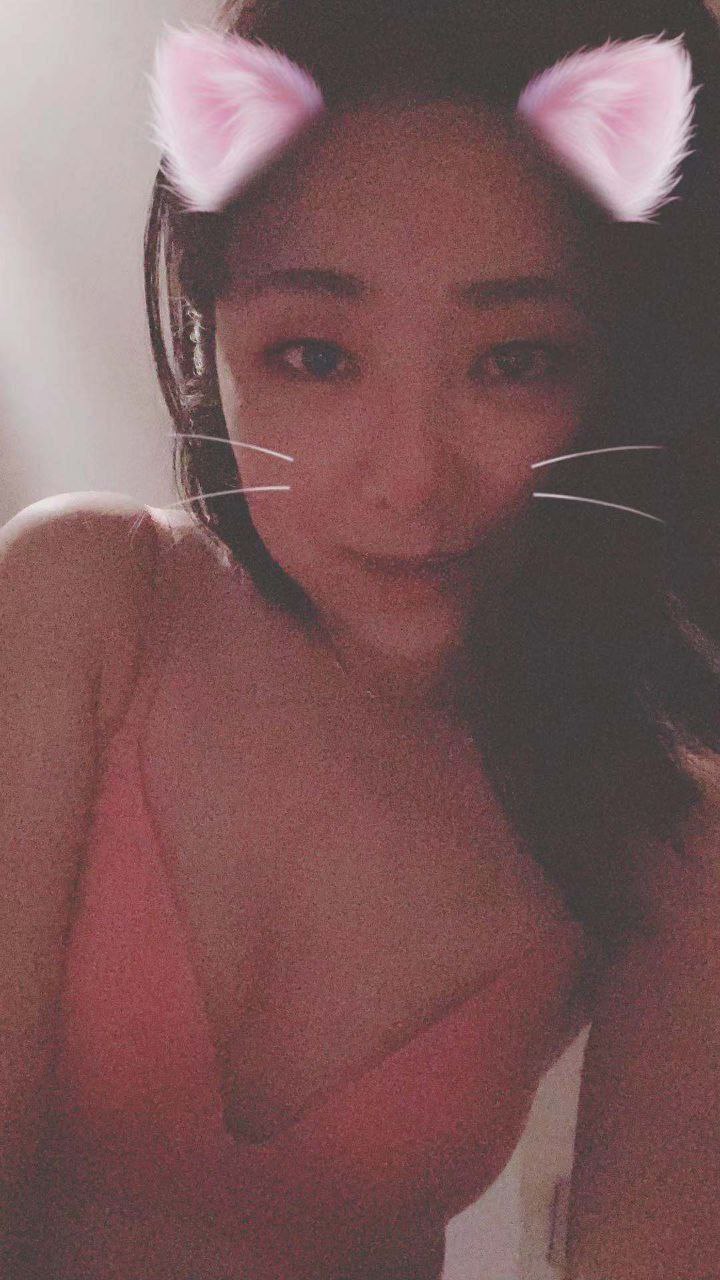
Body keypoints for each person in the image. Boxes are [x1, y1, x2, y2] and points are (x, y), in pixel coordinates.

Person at [3, 1, 720, 1276]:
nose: (409, 481)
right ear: (211, 328)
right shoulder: (88, 600)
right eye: (317, 354)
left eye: (515, 360)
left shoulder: (661, 831)